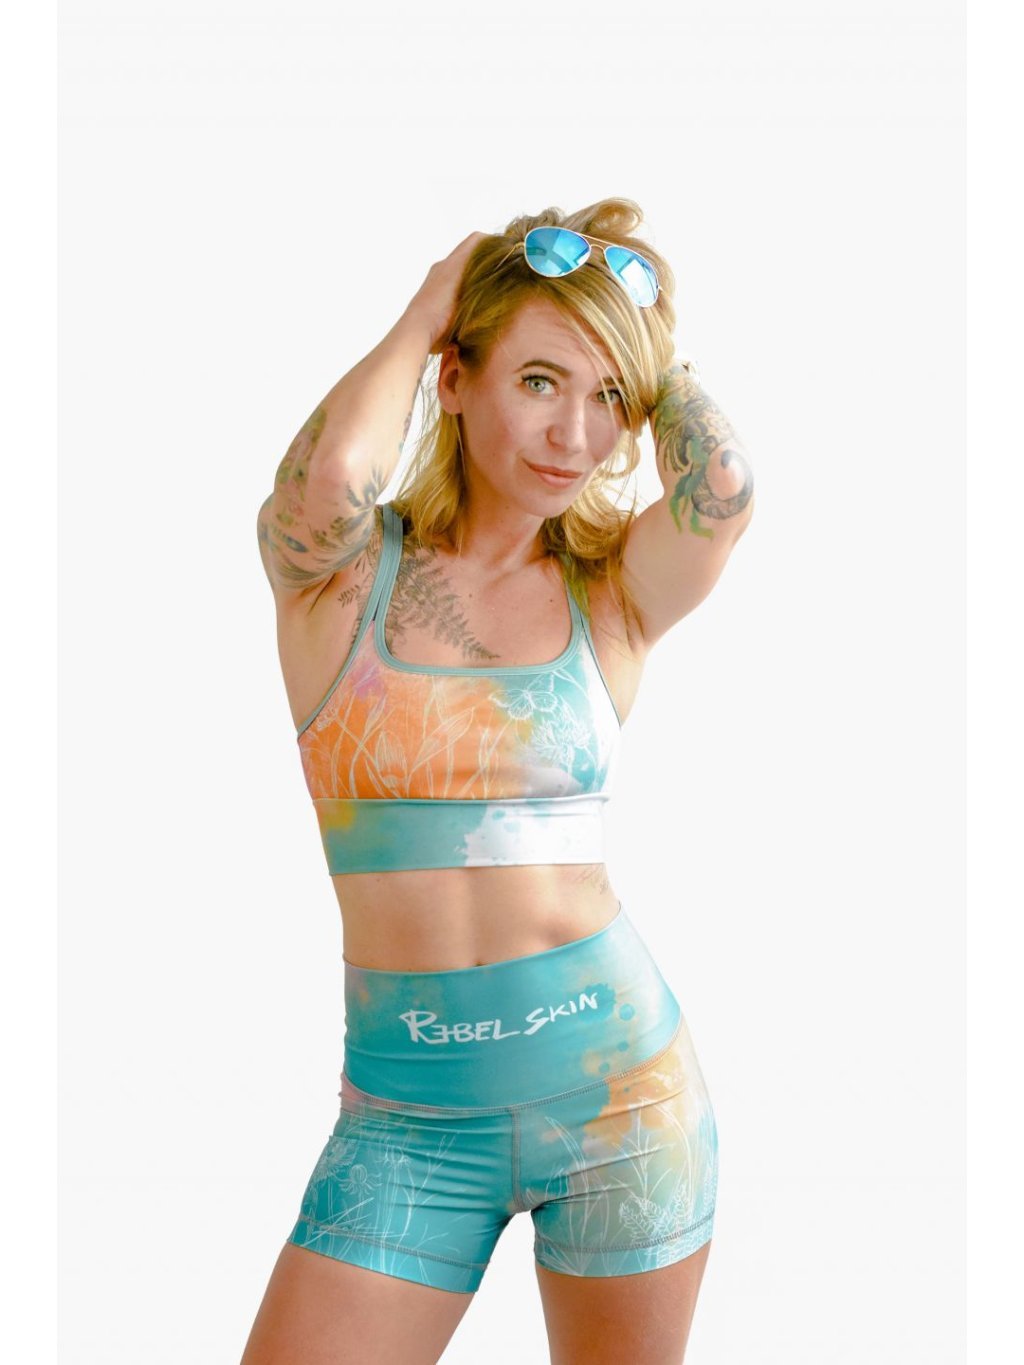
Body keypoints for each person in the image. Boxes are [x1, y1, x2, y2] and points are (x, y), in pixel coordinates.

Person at [243, 198, 755, 1365]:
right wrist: (433, 300)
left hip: (624, 1105)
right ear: (455, 377)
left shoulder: (611, 592)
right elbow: (331, 474)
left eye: (607, 397)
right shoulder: (339, 581)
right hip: (407, 1128)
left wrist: (640, 342)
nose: (574, 434)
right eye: (536, 381)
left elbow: (719, 480)